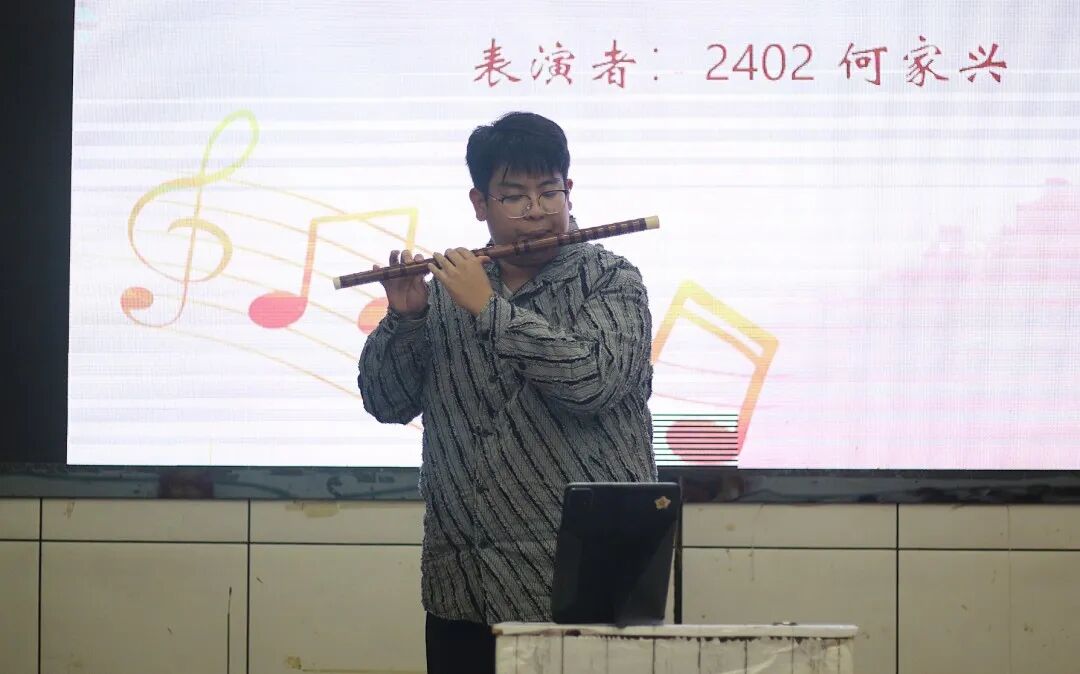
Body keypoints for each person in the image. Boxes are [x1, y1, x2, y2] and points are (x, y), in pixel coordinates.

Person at [357, 111, 656, 674]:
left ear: (569, 190)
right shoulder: (447, 290)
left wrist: (489, 310)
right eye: (514, 196)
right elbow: (386, 402)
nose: (536, 210)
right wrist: (407, 318)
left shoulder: (612, 279)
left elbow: (592, 382)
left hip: (590, 577)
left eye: (549, 191)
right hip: (466, 581)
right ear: (480, 203)